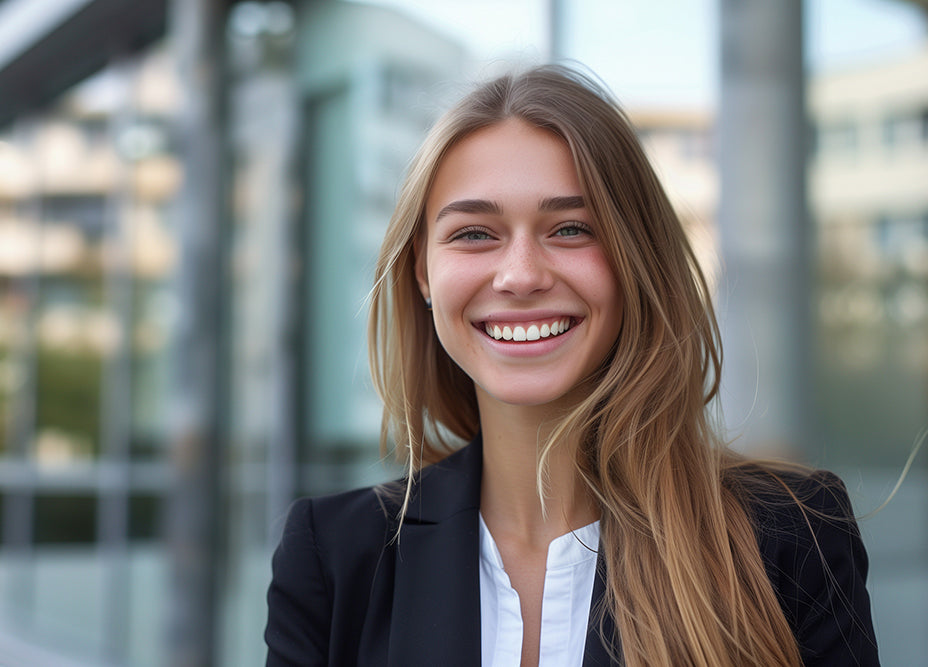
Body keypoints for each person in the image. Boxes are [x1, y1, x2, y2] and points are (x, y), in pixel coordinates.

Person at [265, 64, 878, 667]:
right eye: (475, 234)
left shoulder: (790, 536)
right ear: (423, 271)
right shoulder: (334, 556)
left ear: (634, 259)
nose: (522, 275)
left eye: (571, 228)